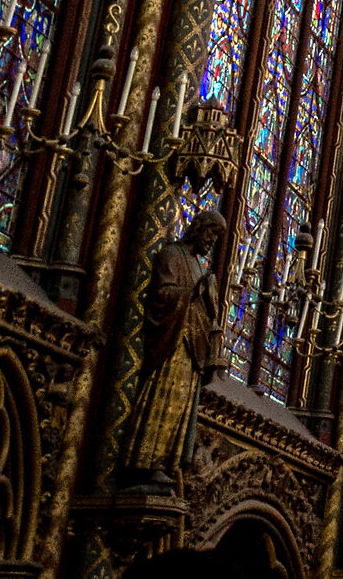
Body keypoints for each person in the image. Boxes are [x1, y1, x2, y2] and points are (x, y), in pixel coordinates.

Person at [115, 209, 227, 493]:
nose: (212, 241)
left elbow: (206, 313)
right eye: (211, 233)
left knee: (179, 408)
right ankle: (145, 464)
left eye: (217, 236)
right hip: (172, 342)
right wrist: (194, 291)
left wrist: (209, 298)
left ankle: (164, 463)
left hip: (192, 348)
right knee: (161, 399)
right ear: (198, 229)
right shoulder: (171, 255)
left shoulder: (199, 267)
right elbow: (162, 294)